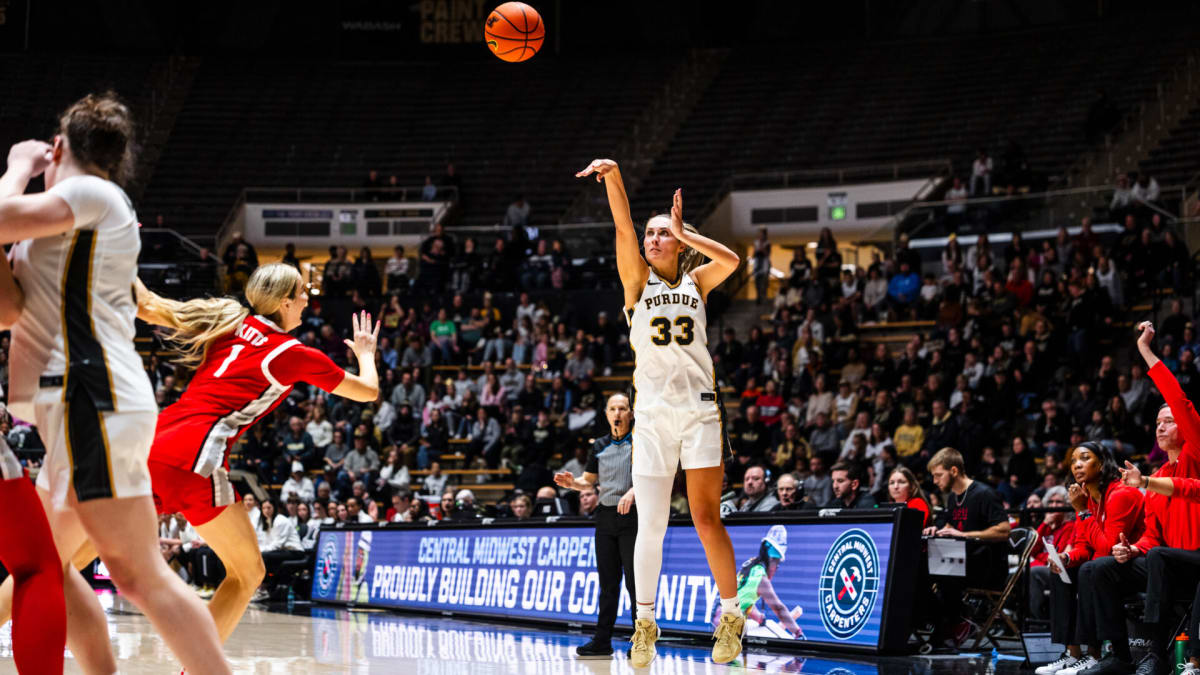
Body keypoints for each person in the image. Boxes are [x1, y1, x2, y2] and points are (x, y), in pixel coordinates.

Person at [0, 94, 230, 674]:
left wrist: (16, 168)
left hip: (90, 397)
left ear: (59, 148)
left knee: (138, 574)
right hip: (78, 406)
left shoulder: (90, 192)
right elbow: (10, 309)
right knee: (51, 569)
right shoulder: (65, 225)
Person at [120, 265, 378, 644]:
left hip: (151, 445)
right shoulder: (293, 353)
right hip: (196, 458)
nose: (308, 299)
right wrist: (367, 354)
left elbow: (146, 305)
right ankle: (197, 669)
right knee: (247, 573)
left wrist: (116, 246)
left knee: (62, 563)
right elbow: (367, 392)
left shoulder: (229, 319)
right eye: (302, 293)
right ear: (286, 301)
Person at [577, 158, 743, 667]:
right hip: (652, 417)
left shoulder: (697, 284)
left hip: (699, 414)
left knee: (705, 518)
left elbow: (733, 260)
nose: (652, 239)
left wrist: (686, 233)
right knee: (651, 523)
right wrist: (615, 178)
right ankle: (644, 625)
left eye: (662, 233)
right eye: (651, 233)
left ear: (678, 240)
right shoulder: (636, 284)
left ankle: (732, 617)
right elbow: (622, 226)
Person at [1075, 322, 1200, 675]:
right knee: (1097, 569)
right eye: (1157, 422)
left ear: (1186, 426)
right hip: (1164, 561)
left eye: (1169, 421)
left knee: (1159, 557)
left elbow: (1178, 399)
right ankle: (1114, 654)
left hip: (1195, 560)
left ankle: (1156, 654)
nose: (1160, 427)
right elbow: (1153, 536)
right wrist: (1133, 550)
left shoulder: (1196, 453)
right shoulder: (1157, 478)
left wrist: (1145, 350)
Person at [1034, 443, 1143, 675]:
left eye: (1084, 458)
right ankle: (1073, 653)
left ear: (1102, 464)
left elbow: (1106, 548)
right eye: (1073, 461)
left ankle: (1094, 655)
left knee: (1091, 569)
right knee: (1062, 571)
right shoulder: (1089, 498)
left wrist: (1082, 511)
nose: (1077, 465)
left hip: (1134, 564)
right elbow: (1085, 546)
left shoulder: (1121, 494)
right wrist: (1066, 557)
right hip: (1105, 566)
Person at [554, 393, 637, 656]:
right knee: (608, 584)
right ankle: (602, 640)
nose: (617, 414)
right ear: (605, 413)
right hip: (605, 517)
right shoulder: (600, 444)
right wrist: (572, 483)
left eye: (622, 408)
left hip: (634, 516)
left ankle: (641, 639)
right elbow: (588, 480)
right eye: (613, 409)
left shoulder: (641, 442)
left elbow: (655, 476)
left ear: (631, 413)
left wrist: (634, 491)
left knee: (636, 584)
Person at [923, 448, 1010, 647]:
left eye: (938, 475)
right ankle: (951, 620)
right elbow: (953, 526)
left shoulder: (985, 494)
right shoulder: (953, 497)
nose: (935, 481)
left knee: (942, 572)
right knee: (921, 570)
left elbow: (1004, 531)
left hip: (988, 567)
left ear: (953, 470)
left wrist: (964, 535)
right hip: (962, 561)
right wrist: (938, 530)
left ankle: (953, 624)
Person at [714, 525, 803, 639]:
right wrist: (798, 632)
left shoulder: (750, 566)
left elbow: (744, 600)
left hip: (717, 623)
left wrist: (760, 618)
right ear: (772, 560)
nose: (777, 568)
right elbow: (779, 609)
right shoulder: (761, 578)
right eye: (777, 564)